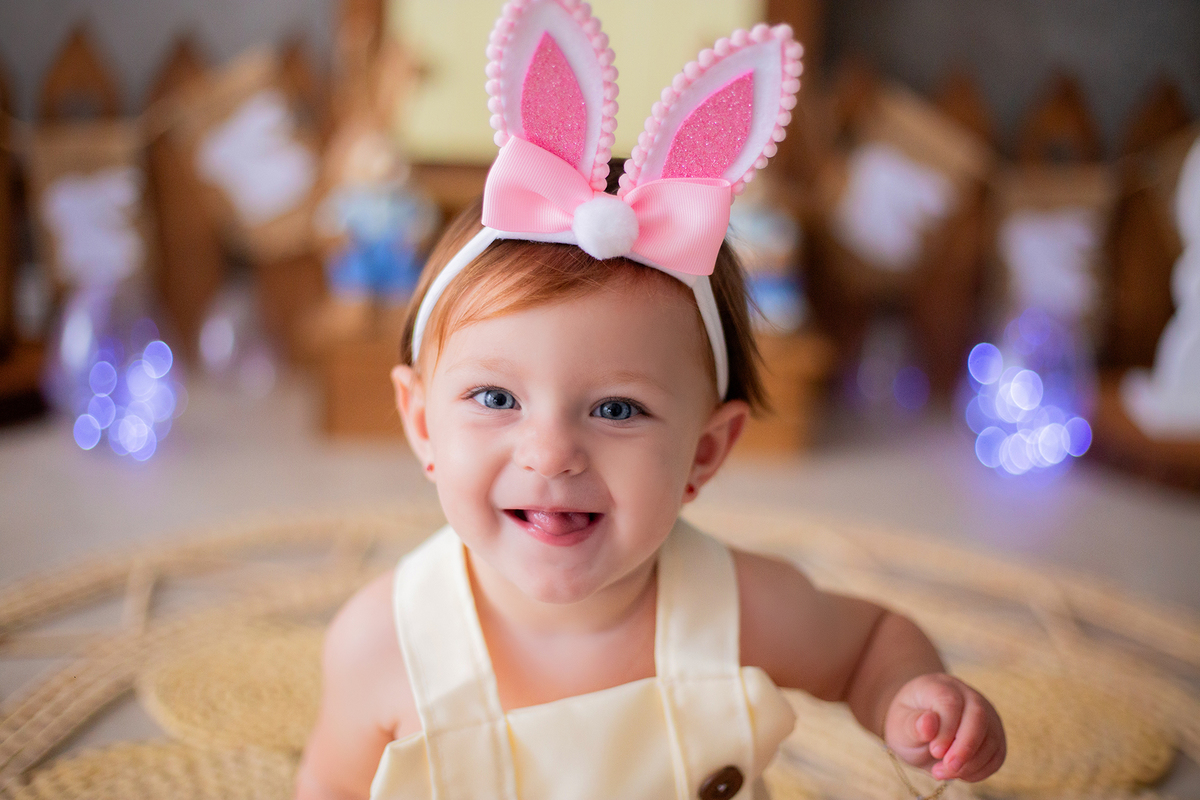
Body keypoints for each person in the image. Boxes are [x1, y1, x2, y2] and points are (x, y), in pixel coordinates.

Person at [296, 3, 1004, 798]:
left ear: (705, 452)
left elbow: (872, 640)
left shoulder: (736, 611)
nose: (551, 453)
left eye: (617, 410)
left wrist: (910, 696)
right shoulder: (383, 643)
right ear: (423, 422)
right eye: (496, 396)